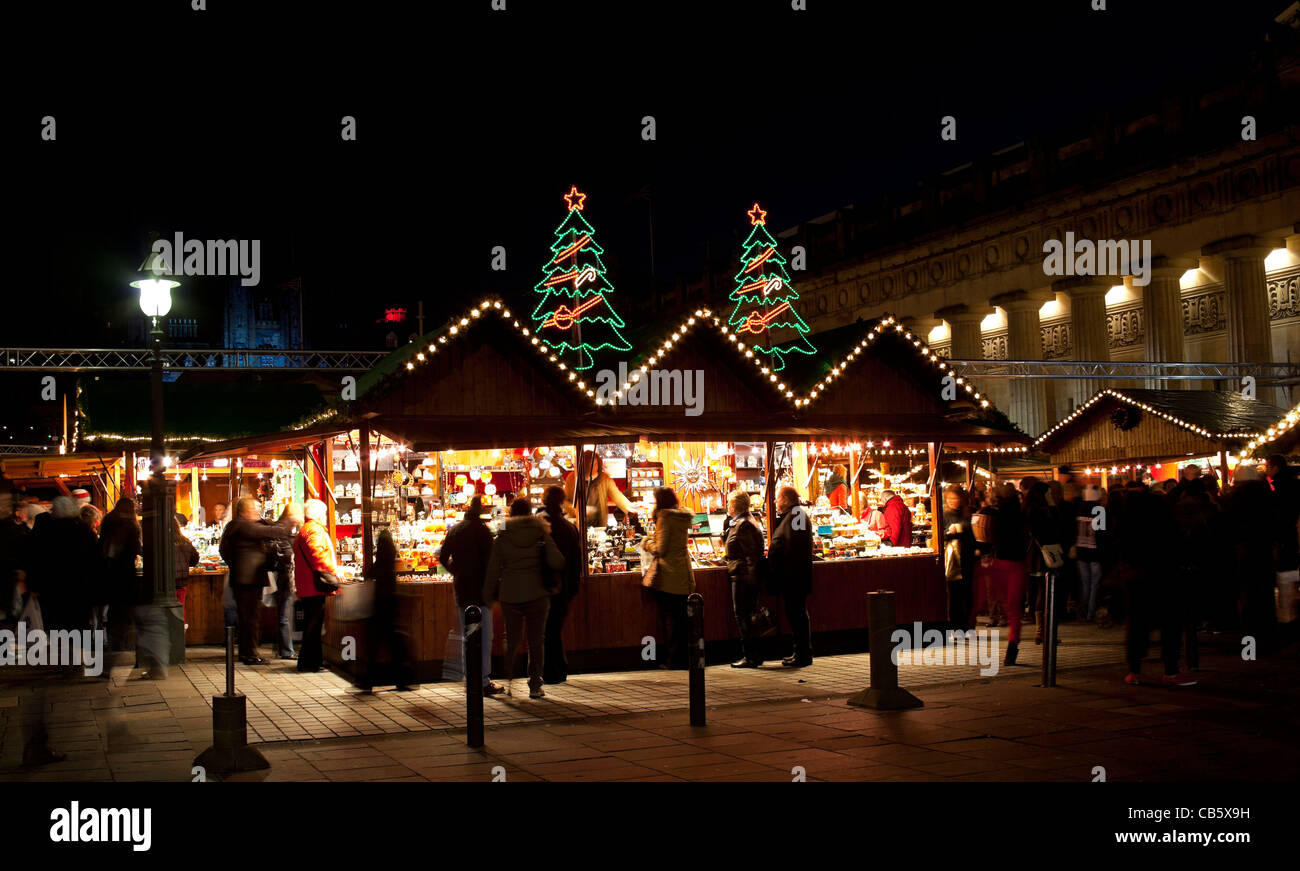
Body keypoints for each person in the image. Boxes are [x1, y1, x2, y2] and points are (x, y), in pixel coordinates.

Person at [483, 497, 564, 699]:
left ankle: (509, 680)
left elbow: (493, 568)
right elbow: (557, 560)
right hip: (537, 593)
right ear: (530, 512)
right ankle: (535, 684)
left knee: (512, 639)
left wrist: (487, 593)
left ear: (511, 512)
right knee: (536, 640)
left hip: (510, 594)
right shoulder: (540, 531)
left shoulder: (503, 534)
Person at [1116, 486, 1196, 686]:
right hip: (1164, 579)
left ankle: (1134, 671)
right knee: (1170, 625)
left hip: (1135, 579)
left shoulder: (1126, 525)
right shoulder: (1165, 526)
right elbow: (1178, 548)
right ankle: (1171, 671)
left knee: (1136, 625)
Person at [439, 495, 503, 694]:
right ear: (480, 510)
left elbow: (441, 556)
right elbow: (491, 564)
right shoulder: (483, 532)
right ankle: (482, 680)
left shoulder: (455, 530)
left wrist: (456, 571)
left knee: (468, 635)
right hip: (481, 592)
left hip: (462, 589)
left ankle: (470, 678)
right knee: (485, 637)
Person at [218, 496, 285, 665]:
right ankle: (249, 654)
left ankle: (248, 652)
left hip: (245, 578)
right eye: (255, 508)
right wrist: (286, 522)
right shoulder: (243, 525)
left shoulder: (234, 526)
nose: (258, 511)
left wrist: (235, 564)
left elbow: (223, 550)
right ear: (245, 510)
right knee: (250, 618)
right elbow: (270, 532)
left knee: (248, 617)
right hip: (248, 579)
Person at [25, 496, 99, 633]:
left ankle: (59, 652)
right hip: (79, 589)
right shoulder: (84, 532)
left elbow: (34, 559)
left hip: (52, 589)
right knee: (78, 627)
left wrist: (33, 585)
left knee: (56, 627)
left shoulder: (45, 532)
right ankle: (78, 652)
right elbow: (94, 562)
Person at [641, 486, 694, 669]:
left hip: (669, 574)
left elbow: (660, 549)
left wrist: (646, 541)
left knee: (671, 619)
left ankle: (674, 660)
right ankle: (685, 658)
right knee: (682, 619)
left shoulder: (665, 517)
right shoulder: (681, 517)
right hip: (683, 573)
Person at [361, 528, 416, 692]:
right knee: (393, 644)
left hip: (381, 604)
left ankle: (369, 680)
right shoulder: (391, 556)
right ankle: (403, 679)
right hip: (390, 603)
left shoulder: (381, 559)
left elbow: (370, 573)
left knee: (376, 644)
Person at [540, 485, 582, 684]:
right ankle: (558, 669)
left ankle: (551, 671)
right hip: (565, 585)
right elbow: (576, 560)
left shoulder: (542, 526)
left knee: (548, 630)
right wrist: (574, 585)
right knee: (554, 628)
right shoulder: (569, 527)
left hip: (546, 585)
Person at [293, 499, 340, 673]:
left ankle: (313, 660)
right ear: (319, 514)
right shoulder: (314, 530)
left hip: (307, 585)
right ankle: (309, 662)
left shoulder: (304, 530)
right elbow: (318, 556)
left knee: (312, 624)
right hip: (314, 586)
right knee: (313, 625)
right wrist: (332, 574)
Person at [769, 485, 814, 666]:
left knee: (798, 615)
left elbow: (796, 547)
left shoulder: (797, 516)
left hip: (795, 576)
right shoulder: (793, 516)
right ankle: (800, 652)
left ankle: (802, 654)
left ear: (786, 500)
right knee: (796, 614)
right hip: (793, 576)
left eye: (778, 498)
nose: (775, 502)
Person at [986, 483, 1028, 665]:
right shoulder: (1022, 513)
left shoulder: (994, 514)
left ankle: (1009, 639)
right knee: (1014, 608)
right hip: (1017, 563)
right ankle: (1013, 642)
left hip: (1000, 561)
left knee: (1000, 602)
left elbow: (987, 538)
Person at [724, 489, 767, 668]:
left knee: (743, 615)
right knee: (745, 615)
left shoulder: (744, 525)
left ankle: (751, 655)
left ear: (734, 506)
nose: (727, 506)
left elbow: (751, 556)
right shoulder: (744, 522)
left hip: (743, 577)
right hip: (742, 575)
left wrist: (751, 579)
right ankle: (752, 654)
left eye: (729, 503)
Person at [98, 497, 141, 652]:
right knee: (126, 612)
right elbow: (135, 549)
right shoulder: (130, 526)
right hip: (125, 573)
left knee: (113, 611)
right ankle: (123, 645)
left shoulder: (108, 522)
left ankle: (113, 643)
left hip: (109, 573)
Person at [266, 503, 304, 660]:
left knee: (284, 613)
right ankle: (286, 650)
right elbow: (286, 555)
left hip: (280, 575)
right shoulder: (283, 530)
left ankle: (283, 647)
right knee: (285, 614)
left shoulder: (281, 529)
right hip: (284, 576)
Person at [563, 451, 637, 527]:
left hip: (599, 525)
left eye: (595, 464)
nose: (594, 467)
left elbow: (617, 496)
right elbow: (566, 502)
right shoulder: (572, 478)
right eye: (590, 464)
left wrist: (630, 508)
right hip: (578, 525)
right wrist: (578, 511)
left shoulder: (604, 478)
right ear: (584, 465)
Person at [942, 484, 976, 631]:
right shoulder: (943, 515)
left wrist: (961, 531)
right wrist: (952, 533)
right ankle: (955, 625)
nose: (952, 501)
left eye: (955, 498)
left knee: (968, 593)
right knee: (954, 593)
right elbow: (940, 535)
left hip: (967, 556)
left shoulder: (969, 514)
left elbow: (974, 536)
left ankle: (968, 625)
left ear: (961, 499)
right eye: (949, 498)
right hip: (952, 559)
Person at [1073, 485, 1104, 623]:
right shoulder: (1099, 510)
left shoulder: (1079, 509)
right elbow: (1102, 533)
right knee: (1094, 583)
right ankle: (1091, 612)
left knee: (1084, 583)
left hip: (1081, 550)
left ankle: (1082, 610)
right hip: (1095, 551)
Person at [173, 514, 199, 631]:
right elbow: (195, 560)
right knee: (180, 606)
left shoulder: (160, 542)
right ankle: (180, 631)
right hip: (182, 580)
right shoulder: (185, 542)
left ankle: (172, 631)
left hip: (166, 580)